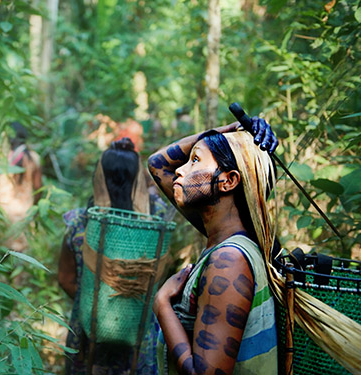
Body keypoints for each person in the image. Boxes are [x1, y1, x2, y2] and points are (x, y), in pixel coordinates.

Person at [148, 118, 279, 374]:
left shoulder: (228, 261)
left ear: (228, 181)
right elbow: (157, 163)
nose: (179, 170)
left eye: (195, 161)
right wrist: (229, 131)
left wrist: (162, 304)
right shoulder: (225, 239)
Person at [58, 137, 167, 375]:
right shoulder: (157, 219)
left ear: (99, 177)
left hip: (89, 335)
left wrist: (100, 302)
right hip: (140, 330)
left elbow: (66, 279)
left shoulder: (79, 223)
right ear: (138, 178)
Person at [0, 122, 42, 251]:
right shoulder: (34, 158)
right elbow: (38, 187)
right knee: (21, 254)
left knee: (2, 253)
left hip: (2, 211)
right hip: (24, 211)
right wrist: (35, 210)